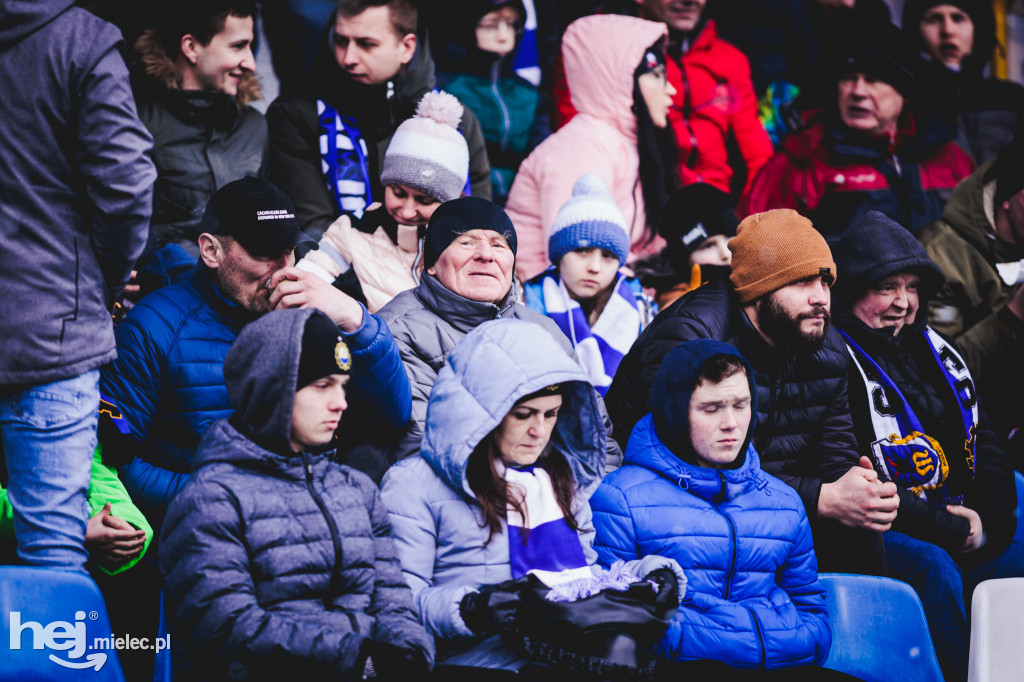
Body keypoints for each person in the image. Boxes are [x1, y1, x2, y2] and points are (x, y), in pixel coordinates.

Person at [100, 178, 411, 528]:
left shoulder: (311, 311)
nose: (282, 269)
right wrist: (231, 500)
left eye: (290, 249)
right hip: (202, 535)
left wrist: (356, 320)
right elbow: (117, 458)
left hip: (307, 531)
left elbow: (392, 417)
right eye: (264, 252)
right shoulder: (154, 327)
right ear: (211, 250)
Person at [381, 318, 683, 674]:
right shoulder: (412, 484)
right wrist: (474, 609)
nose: (539, 431)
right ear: (481, 412)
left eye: (552, 413)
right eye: (523, 414)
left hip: (563, 660)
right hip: (473, 664)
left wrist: (653, 575)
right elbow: (395, 606)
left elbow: (575, 582)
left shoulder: (558, 479)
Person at [606, 209, 898, 575]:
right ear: (759, 289)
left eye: (825, 282)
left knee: (902, 553)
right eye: (803, 282)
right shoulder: (692, 337)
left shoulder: (823, 343)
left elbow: (833, 451)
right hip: (676, 512)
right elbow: (694, 467)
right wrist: (820, 498)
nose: (820, 298)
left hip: (781, 510)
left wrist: (859, 490)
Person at [161, 308, 433, 681]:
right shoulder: (211, 498)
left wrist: (410, 654)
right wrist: (359, 660)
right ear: (273, 387)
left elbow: (393, 602)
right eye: (322, 386)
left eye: (342, 385)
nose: (341, 402)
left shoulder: (355, 490)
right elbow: (228, 626)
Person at [833, 210, 1024, 681]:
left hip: (959, 527)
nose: (903, 302)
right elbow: (864, 480)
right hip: (883, 535)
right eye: (886, 288)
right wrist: (950, 531)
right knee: (934, 567)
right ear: (854, 290)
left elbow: (989, 448)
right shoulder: (833, 359)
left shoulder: (937, 350)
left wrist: (985, 525)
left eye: (912, 287)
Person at [591, 339, 853, 678]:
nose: (731, 424)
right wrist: (714, 641)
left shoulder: (783, 502)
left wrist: (795, 641)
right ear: (674, 410)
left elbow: (811, 608)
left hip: (781, 665)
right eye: (711, 408)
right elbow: (614, 618)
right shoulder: (619, 499)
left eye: (741, 405)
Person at [0, 0, 155, 572]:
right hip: (50, 331)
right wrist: (97, 286)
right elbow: (127, 183)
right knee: (53, 556)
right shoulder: (81, 41)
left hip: (52, 328)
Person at [376, 196, 623, 481]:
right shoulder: (397, 331)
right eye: (466, 242)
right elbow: (421, 448)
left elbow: (595, 442)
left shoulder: (544, 331)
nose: (486, 254)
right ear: (430, 264)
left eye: (498, 244)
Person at [267, 0, 490, 237]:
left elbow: (478, 223)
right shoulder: (296, 115)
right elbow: (312, 225)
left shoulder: (454, 120)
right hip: (336, 265)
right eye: (341, 41)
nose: (348, 57)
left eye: (366, 44)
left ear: (407, 47)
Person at [740, 28, 975, 238]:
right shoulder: (803, 156)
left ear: (903, 93)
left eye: (873, 80)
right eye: (848, 79)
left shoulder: (950, 159)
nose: (858, 92)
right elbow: (756, 243)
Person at [503, 13, 678, 281]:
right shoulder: (584, 146)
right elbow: (578, 256)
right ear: (619, 79)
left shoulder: (624, 141)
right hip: (545, 302)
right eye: (656, 76)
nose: (671, 90)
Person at [551, 0, 773, 199]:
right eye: (655, 74)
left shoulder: (730, 60)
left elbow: (758, 155)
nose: (690, 2)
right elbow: (579, 140)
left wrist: (758, 220)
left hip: (718, 209)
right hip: (641, 204)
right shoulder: (599, 50)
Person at [294, 90, 469, 312]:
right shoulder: (351, 233)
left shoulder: (471, 247)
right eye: (398, 193)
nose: (406, 211)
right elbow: (301, 286)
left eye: (424, 200)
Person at [919, 118, 1024, 471]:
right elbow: (931, 375)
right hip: (977, 443)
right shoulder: (941, 254)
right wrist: (1012, 315)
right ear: (1009, 197)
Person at [131, 1, 268, 262]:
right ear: (192, 48)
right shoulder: (138, 122)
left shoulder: (255, 126)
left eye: (250, 46)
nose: (250, 62)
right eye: (238, 46)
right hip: (165, 290)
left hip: (241, 292)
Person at [523, 174, 656, 396]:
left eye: (608, 255)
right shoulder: (525, 305)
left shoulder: (642, 311)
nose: (594, 267)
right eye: (582, 250)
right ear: (560, 255)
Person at [432, 0, 541, 206]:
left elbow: (540, 152)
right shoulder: (446, 87)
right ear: (469, 26)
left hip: (524, 198)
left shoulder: (527, 91)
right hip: (466, 199)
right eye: (491, 25)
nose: (503, 35)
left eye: (511, 24)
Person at [903, 0, 1024, 165]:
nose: (947, 30)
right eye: (933, 19)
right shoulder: (904, 99)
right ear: (916, 30)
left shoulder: (1010, 99)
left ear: (978, 27)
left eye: (958, 18)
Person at [632, 182, 738, 310]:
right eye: (708, 246)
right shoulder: (675, 303)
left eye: (729, 238)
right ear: (684, 261)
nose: (725, 254)